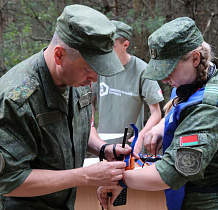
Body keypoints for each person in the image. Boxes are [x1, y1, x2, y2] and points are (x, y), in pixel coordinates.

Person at [97, 17, 218, 210]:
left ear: (195, 58)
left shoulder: (210, 109)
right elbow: (180, 105)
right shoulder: (195, 80)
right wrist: (162, 126)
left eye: (169, 69)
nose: (165, 78)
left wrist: (117, 178)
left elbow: (171, 172)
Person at [0, 5, 132, 209]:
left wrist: (102, 148)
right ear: (59, 55)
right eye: (89, 69)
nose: (94, 79)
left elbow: (77, 126)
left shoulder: (77, 80)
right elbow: (8, 181)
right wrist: (85, 175)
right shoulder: (16, 99)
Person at [91, 20, 164, 153]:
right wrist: (91, 129)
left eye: (112, 46)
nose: (107, 51)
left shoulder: (142, 70)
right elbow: (89, 102)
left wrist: (141, 136)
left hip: (131, 147)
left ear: (126, 44)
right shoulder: (100, 68)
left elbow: (156, 113)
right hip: (102, 145)